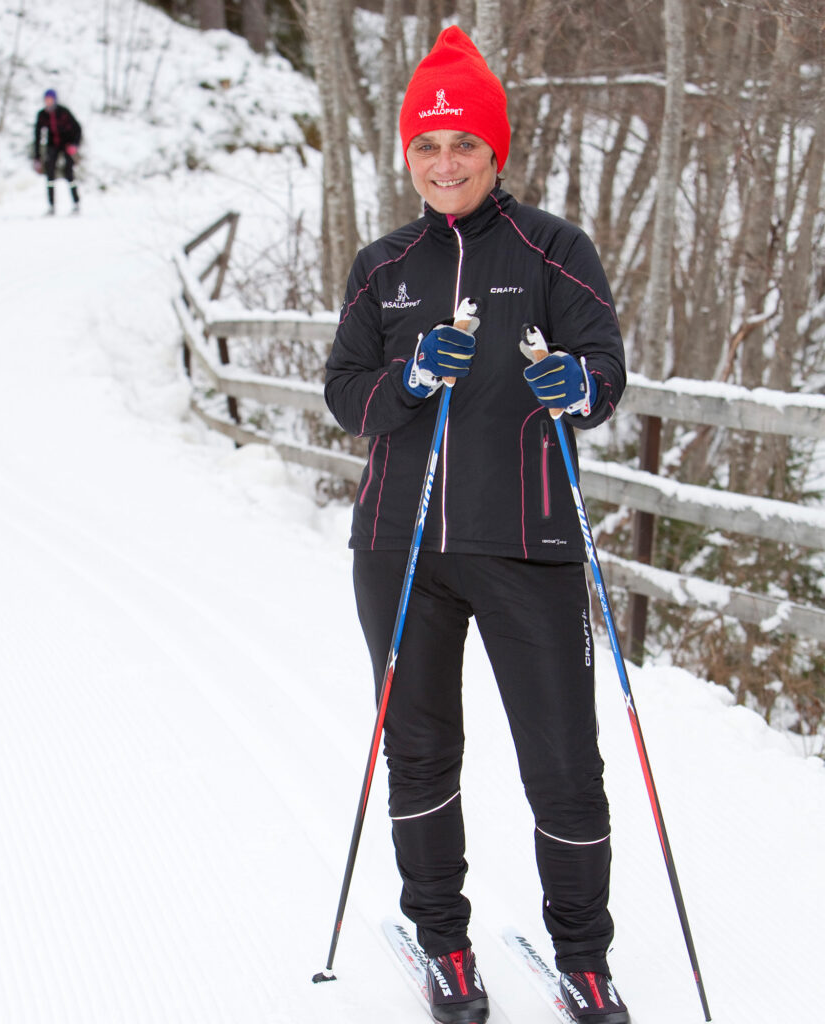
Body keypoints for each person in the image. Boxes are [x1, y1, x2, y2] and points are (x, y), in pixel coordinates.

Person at [324, 26, 629, 1024]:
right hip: (399, 547)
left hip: (526, 544)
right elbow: (342, 395)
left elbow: (603, 375)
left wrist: (574, 385)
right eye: (427, 147)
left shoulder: (553, 250)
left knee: (562, 757)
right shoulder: (384, 266)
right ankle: (442, 941)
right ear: (407, 154)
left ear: (495, 154)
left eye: (463, 146)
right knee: (418, 749)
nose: (444, 164)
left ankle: (583, 955)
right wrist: (405, 380)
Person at [33, 88, 82, 215]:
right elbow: (37, 136)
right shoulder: (42, 115)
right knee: (50, 174)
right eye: (46, 100)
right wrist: (37, 157)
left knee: (69, 172)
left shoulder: (63, 112)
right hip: (52, 145)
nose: (48, 102)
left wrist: (74, 145)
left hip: (67, 144)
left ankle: (76, 203)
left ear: (55, 100)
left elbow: (77, 128)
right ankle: (51, 206)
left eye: (50, 100)